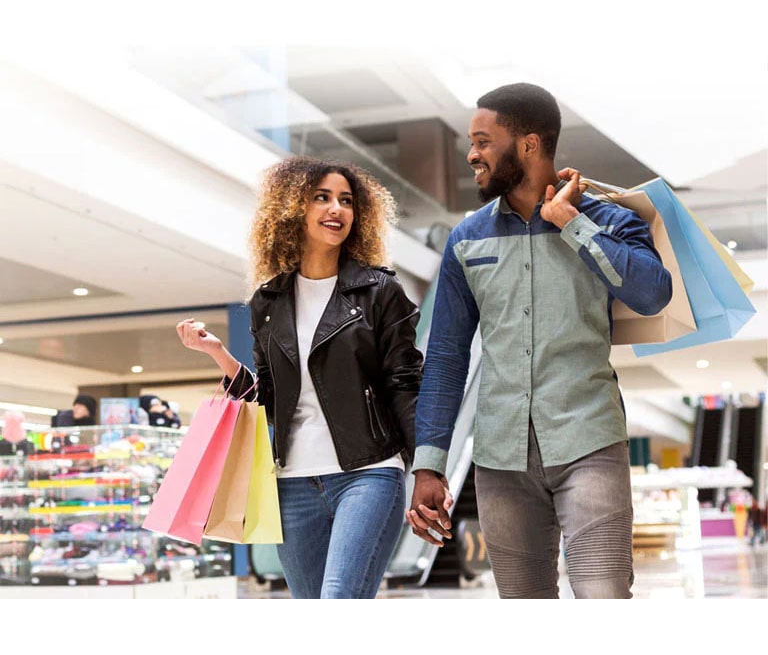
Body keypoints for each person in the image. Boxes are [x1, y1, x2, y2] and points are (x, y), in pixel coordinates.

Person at [406, 83, 673, 599]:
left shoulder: (609, 220)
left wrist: (571, 223)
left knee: (605, 597)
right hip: (500, 459)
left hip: (589, 441)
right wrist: (430, 464)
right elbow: (444, 358)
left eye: (483, 141)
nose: (472, 154)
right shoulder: (467, 240)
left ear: (528, 144)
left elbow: (652, 294)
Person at [175, 155, 425, 599]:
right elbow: (268, 398)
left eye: (346, 201)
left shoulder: (379, 292)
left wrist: (426, 468)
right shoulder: (268, 302)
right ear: (293, 209)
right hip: (292, 483)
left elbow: (404, 384)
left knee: (336, 600)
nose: (336, 210)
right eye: (322, 198)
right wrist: (218, 355)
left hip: (368, 473)